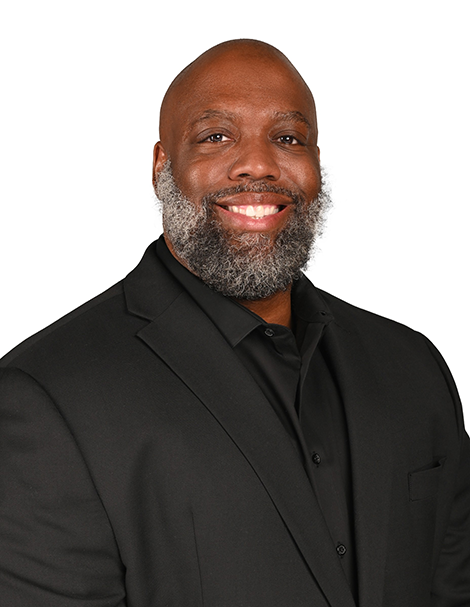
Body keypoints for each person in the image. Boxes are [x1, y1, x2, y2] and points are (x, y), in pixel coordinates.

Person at [0, 39, 468, 607]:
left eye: (288, 138)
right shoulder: (45, 397)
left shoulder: (413, 367)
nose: (260, 164)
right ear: (161, 167)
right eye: (216, 136)